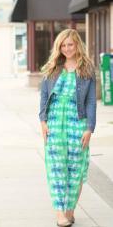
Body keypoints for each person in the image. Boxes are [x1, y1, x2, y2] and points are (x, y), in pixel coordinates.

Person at [39, 29, 96, 227]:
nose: (66, 48)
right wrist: (43, 122)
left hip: (77, 123)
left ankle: (70, 211)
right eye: (63, 45)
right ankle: (59, 214)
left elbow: (91, 102)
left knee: (76, 168)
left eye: (70, 44)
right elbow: (44, 97)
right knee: (55, 168)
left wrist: (89, 128)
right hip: (55, 122)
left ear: (77, 44)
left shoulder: (87, 68)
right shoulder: (53, 67)